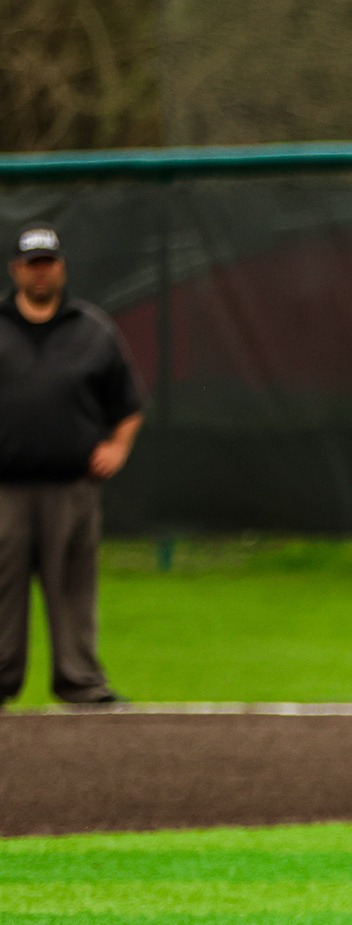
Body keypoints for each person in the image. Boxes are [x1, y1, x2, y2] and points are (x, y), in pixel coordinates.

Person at [0, 223, 141, 707]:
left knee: (74, 588)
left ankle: (79, 681)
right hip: (6, 489)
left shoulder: (92, 329)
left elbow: (128, 404)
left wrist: (118, 447)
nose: (41, 273)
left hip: (72, 486)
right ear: (16, 269)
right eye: (32, 264)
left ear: (60, 267)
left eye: (49, 263)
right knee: (2, 589)